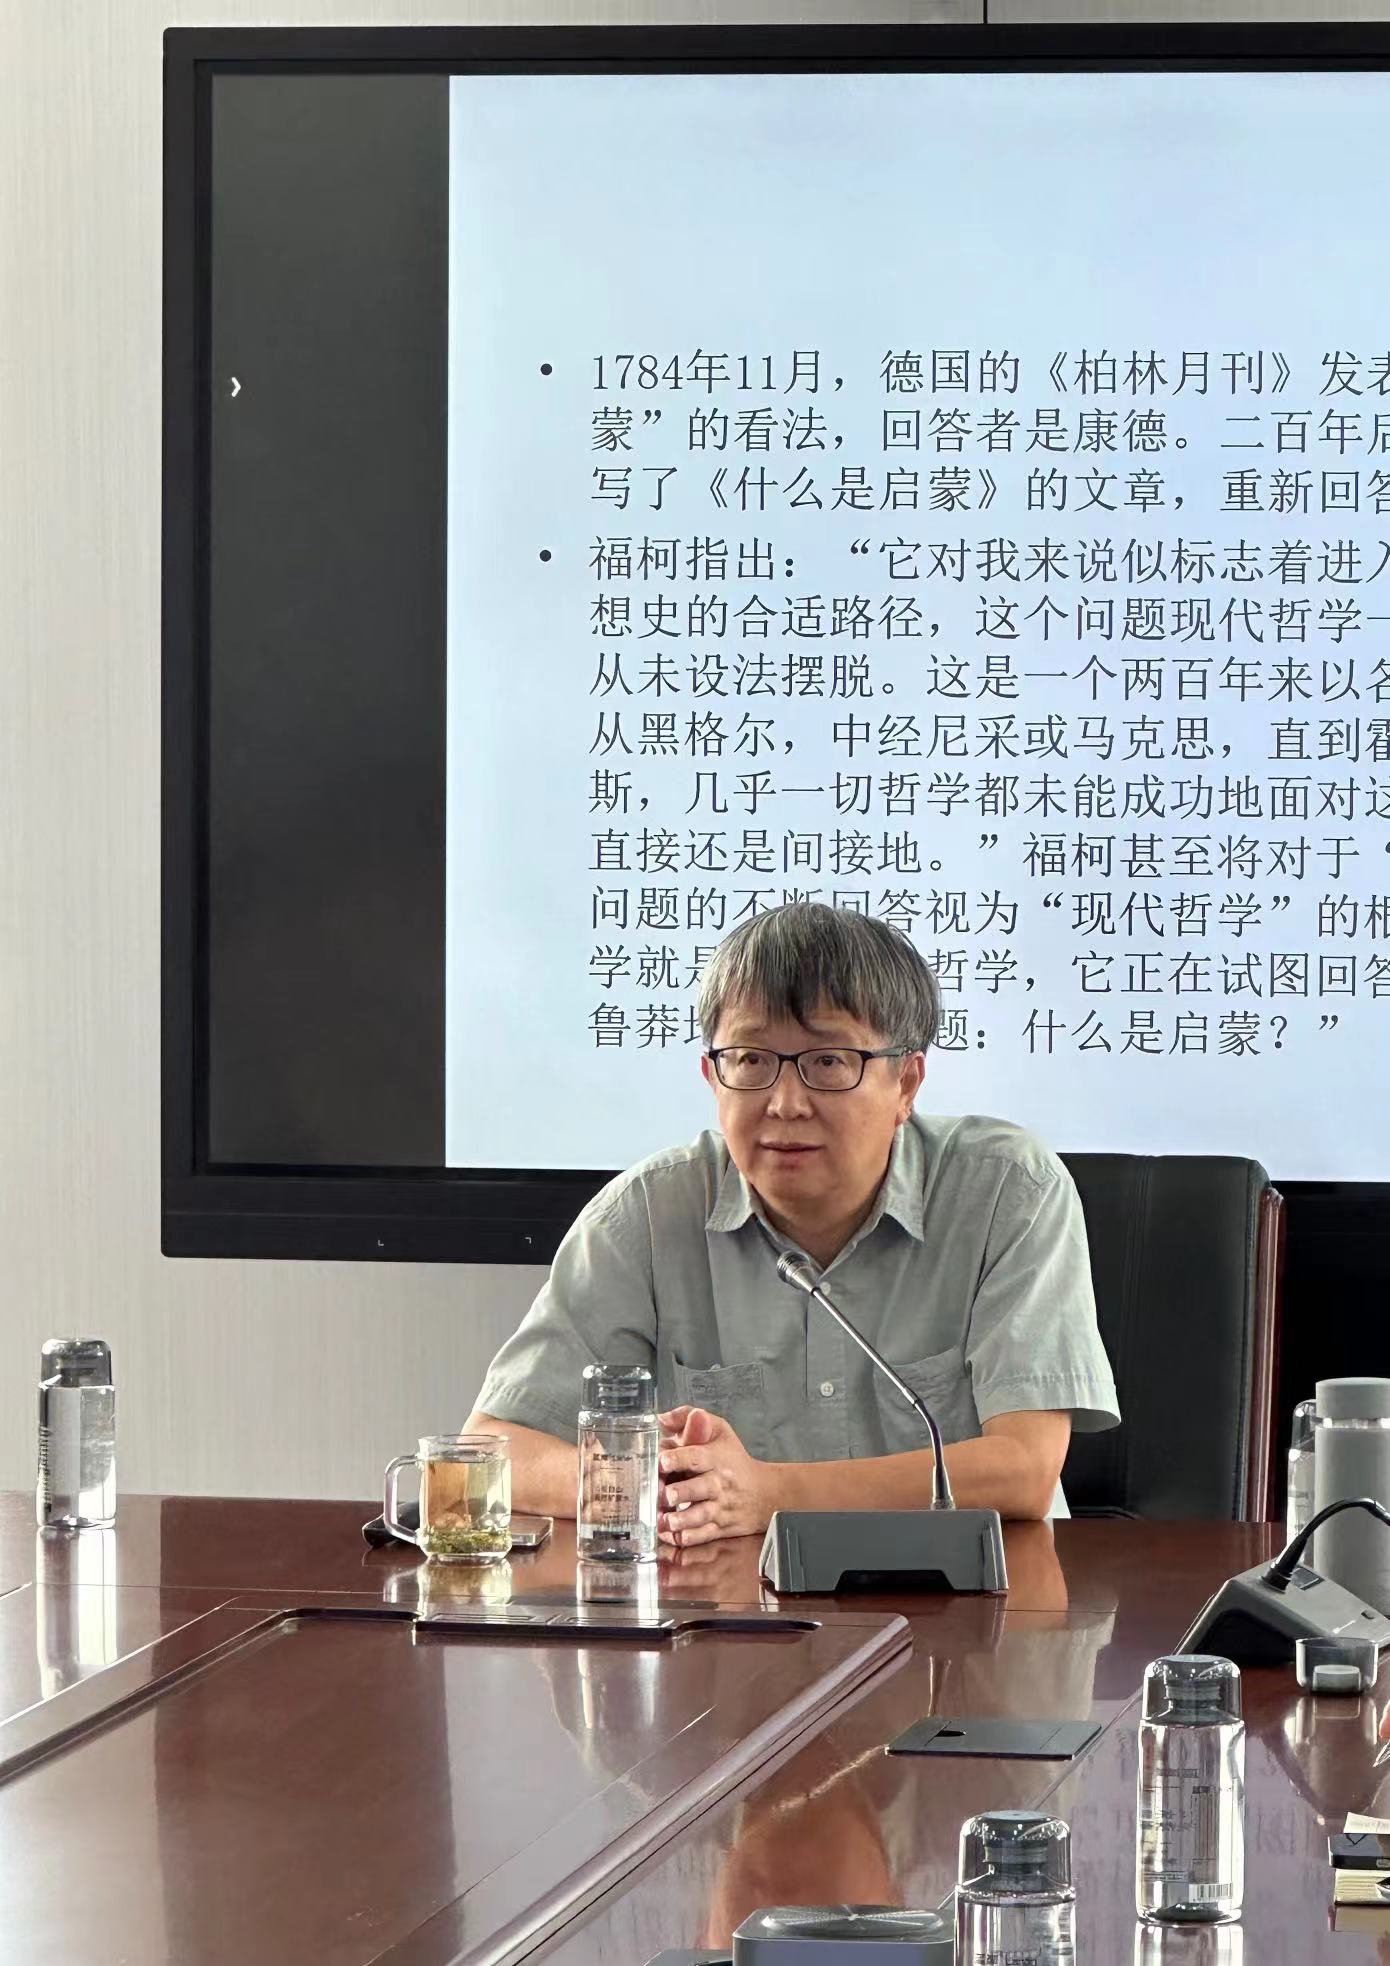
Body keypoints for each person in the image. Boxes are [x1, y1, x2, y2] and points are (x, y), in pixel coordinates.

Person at [465, 902, 1118, 1542]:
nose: (785, 1103)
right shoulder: (647, 1215)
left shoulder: (1007, 1189)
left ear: (906, 1083)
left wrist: (767, 1493)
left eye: (827, 1062)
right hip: (736, 1603)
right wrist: (665, 1486)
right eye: (751, 1060)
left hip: (976, 1598)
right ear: (712, 1076)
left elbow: (1023, 1470)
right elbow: (496, 1450)